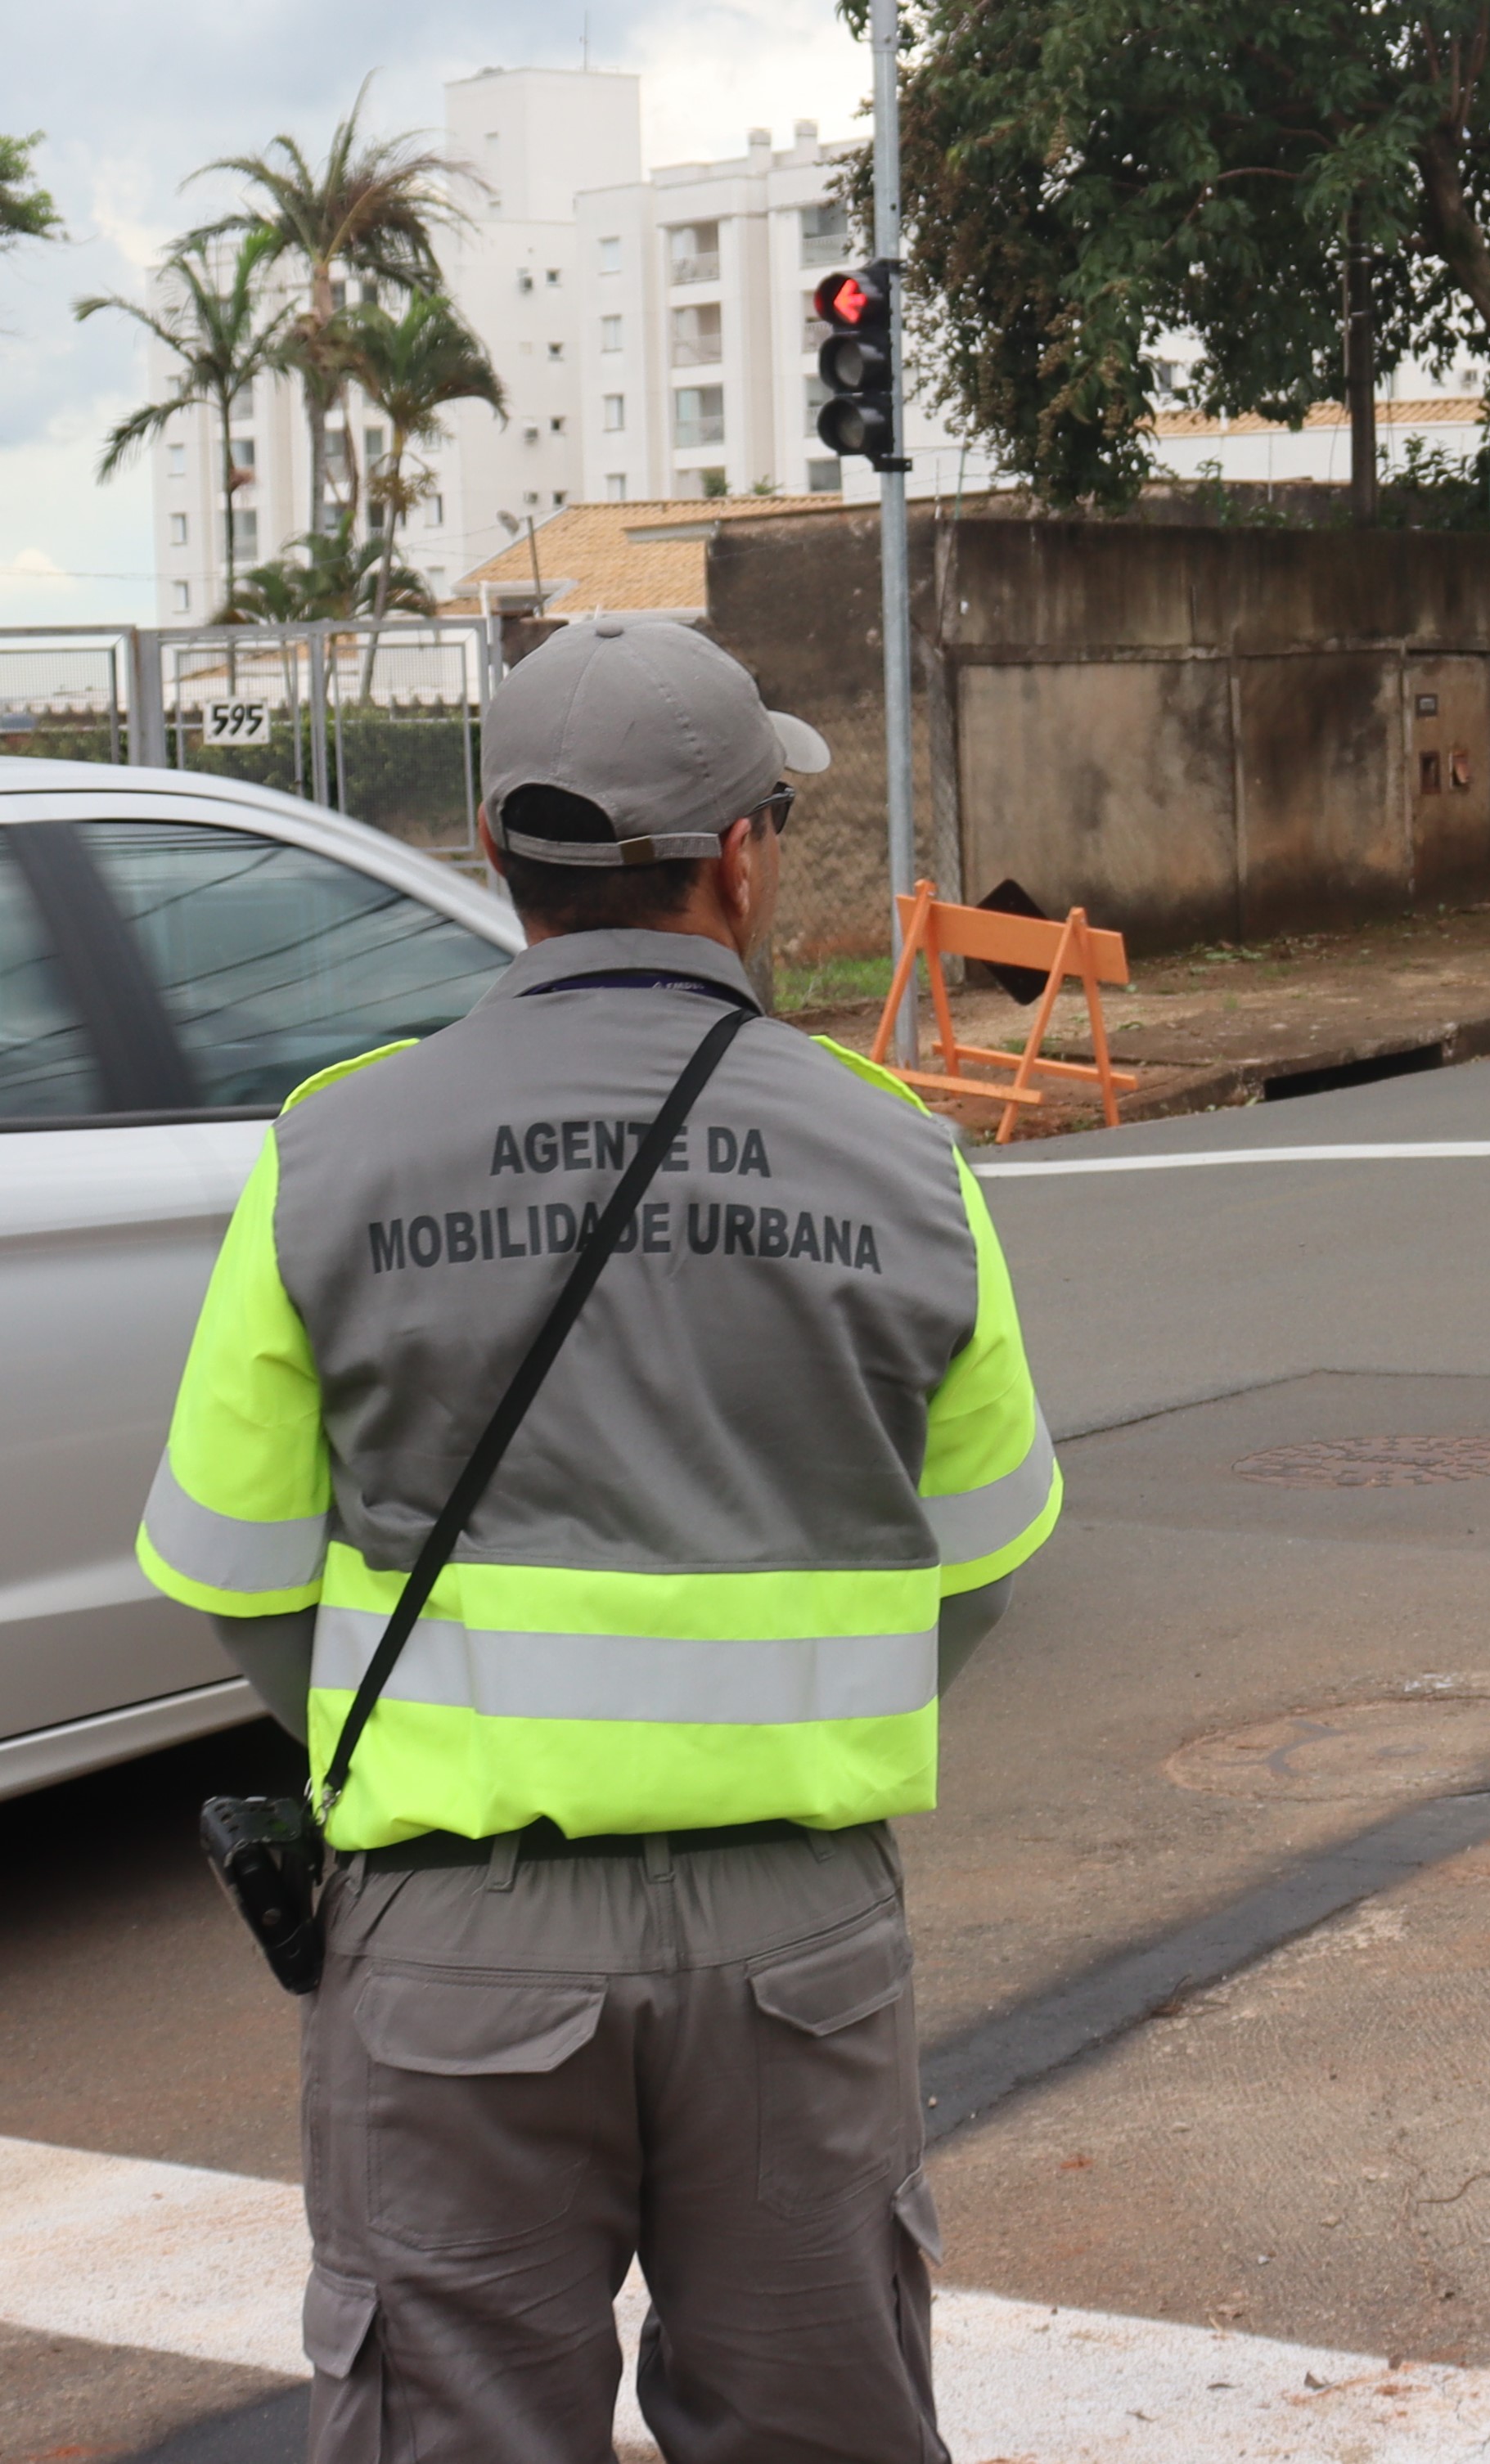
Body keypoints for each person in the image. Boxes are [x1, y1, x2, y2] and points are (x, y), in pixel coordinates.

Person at [136, 616, 1059, 2463]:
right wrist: (781, 1729)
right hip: (798, 1937)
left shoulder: (335, 1153)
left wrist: (432, 1747)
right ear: (738, 856)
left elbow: (239, 1577)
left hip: (453, 1943)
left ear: (497, 852)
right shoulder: (902, 1161)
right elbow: (978, 1564)